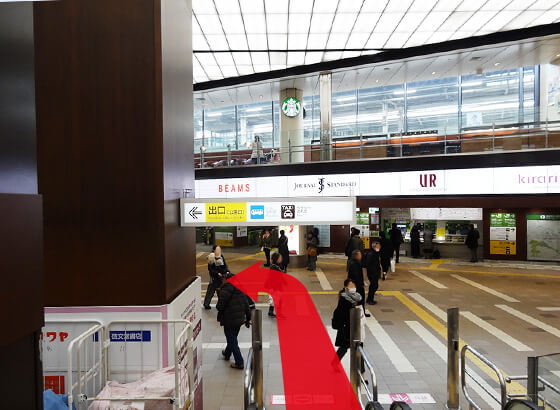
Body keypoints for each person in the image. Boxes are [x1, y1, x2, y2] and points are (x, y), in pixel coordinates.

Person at [216, 272, 252, 369]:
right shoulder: (240, 288)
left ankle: (239, 362)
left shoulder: (225, 289)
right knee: (232, 337)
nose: (222, 280)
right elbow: (246, 304)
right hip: (239, 319)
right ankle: (227, 353)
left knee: (232, 340)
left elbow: (219, 306)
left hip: (229, 320)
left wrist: (219, 294)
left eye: (224, 278)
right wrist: (248, 318)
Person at [332, 279, 362, 360]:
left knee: (346, 347)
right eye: (350, 286)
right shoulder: (344, 298)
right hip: (345, 326)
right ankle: (335, 363)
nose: (353, 287)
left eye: (354, 286)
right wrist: (355, 310)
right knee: (345, 347)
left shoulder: (353, 296)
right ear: (346, 287)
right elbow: (344, 312)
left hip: (349, 326)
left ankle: (335, 363)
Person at [347, 250, 370, 317]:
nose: (361, 256)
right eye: (360, 255)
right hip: (357, 285)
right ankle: (360, 313)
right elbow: (357, 276)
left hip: (354, 284)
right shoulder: (355, 264)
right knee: (360, 299)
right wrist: (361, 284)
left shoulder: (353, 262)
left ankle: (360, 312)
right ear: (356, 256)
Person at [267, 252, 285, 318]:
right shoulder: (273, 267)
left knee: (276, 299)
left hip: (276, 286)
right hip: (275, 286)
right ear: (276, 259)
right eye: (280, 258)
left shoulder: (277, 266)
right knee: (278, 299)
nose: (281, 259)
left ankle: (271, 311)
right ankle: (278, 313)